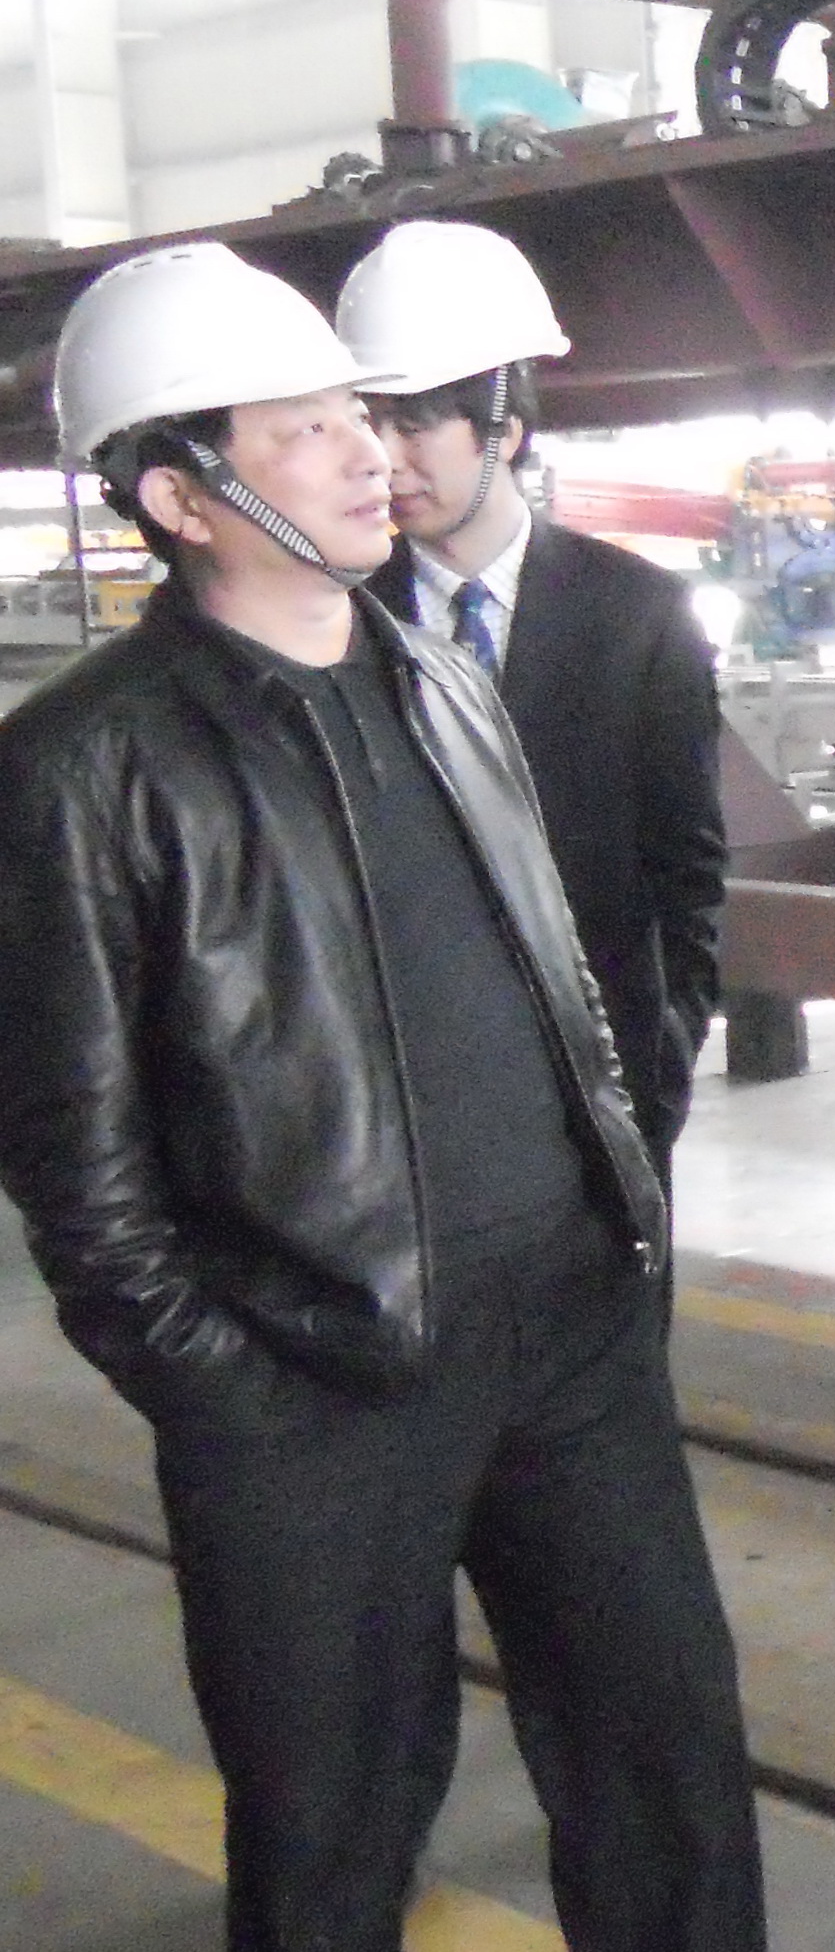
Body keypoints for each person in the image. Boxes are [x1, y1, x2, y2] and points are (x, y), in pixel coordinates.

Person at [0, 244, 764, 1950]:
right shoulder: (82, 769)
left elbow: (567, 972)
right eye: (303, 429)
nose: (366, 453)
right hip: (315, 1379)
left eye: (359, 414)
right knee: (332, 1837)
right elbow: (77, 1173)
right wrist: (236, 1399)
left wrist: (618, 1210)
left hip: (571, 1337)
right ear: (178, 495)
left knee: (669, 1779)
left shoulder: (443, 681)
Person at [339, 219, 725, 1176]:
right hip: (408, 1101)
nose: (384, 457)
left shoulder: (639, 615)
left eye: (413, 423)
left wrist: (663, 1060)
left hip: (605, 1087)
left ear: (504, 429)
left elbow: (685, 871)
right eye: (365, 421)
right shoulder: (338, 621)